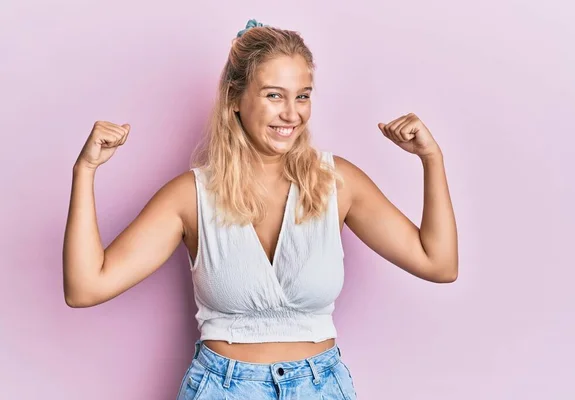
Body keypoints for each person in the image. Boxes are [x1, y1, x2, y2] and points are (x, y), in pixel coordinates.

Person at [62, 19, 458, 400]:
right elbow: (86, 287)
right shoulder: (190, 196)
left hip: (320, 387)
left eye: (302, 95)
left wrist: (431, 158)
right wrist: (85, 170)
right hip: (222, 387)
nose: (292, 113)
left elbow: (438, 263)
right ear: (235, 99)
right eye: (274, 95)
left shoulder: (338, 182)